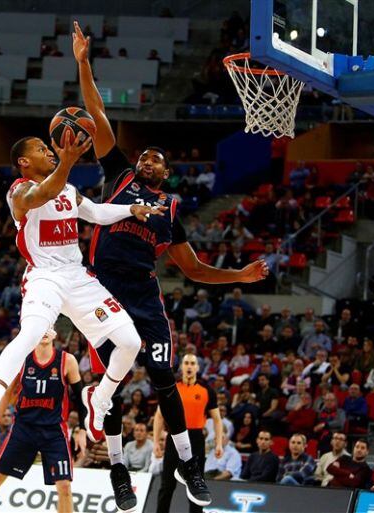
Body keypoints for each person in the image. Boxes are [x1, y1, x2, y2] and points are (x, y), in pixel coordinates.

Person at [72, 20, 268, 511]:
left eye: (156, 160)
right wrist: (82, 62)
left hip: (142, 293)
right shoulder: (117, 174)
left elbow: (196, 269)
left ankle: (190, 467)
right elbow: (95, 112)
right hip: (103, 294)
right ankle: (117, 469)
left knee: (165, 380)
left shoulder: (173, 209)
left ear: (166, 173)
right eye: (145, 156)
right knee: (107, 390)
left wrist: (238, 276)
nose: (148, 161)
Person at [0, 129, 163, 462]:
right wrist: (69, 161)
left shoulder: (68, 190)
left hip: (77, 278)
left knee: (130, 342)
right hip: (44, 277)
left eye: (50, 149)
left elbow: (97, 214)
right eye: (42, 149)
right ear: (23, 162)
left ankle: (98, 399)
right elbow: (39, 196)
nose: (50, 152)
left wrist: (131, 209)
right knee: (30, 334)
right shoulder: (19, 191)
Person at [0, 329, 85, 513]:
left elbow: (81, 398)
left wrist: (82, 430)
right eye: (41, 326)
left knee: (64, 487)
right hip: (23, 429)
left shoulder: (68, 361)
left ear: (56, 334)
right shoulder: (23, 359)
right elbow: (7, 394)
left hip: (54, 431)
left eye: (50, 327)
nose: (45, 331)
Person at [153, 354, 222, 513]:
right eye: (186, 363)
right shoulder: (172, 388)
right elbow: (159, 415)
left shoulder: (206, 391)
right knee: (167, 484)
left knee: (196, 486)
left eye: (192, 363)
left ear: (198, 367)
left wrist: (219, 443)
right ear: (182, 366)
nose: (189, 366)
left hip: (196, 439)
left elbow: (217, 420)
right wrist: (156, 442)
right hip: (174, 438)